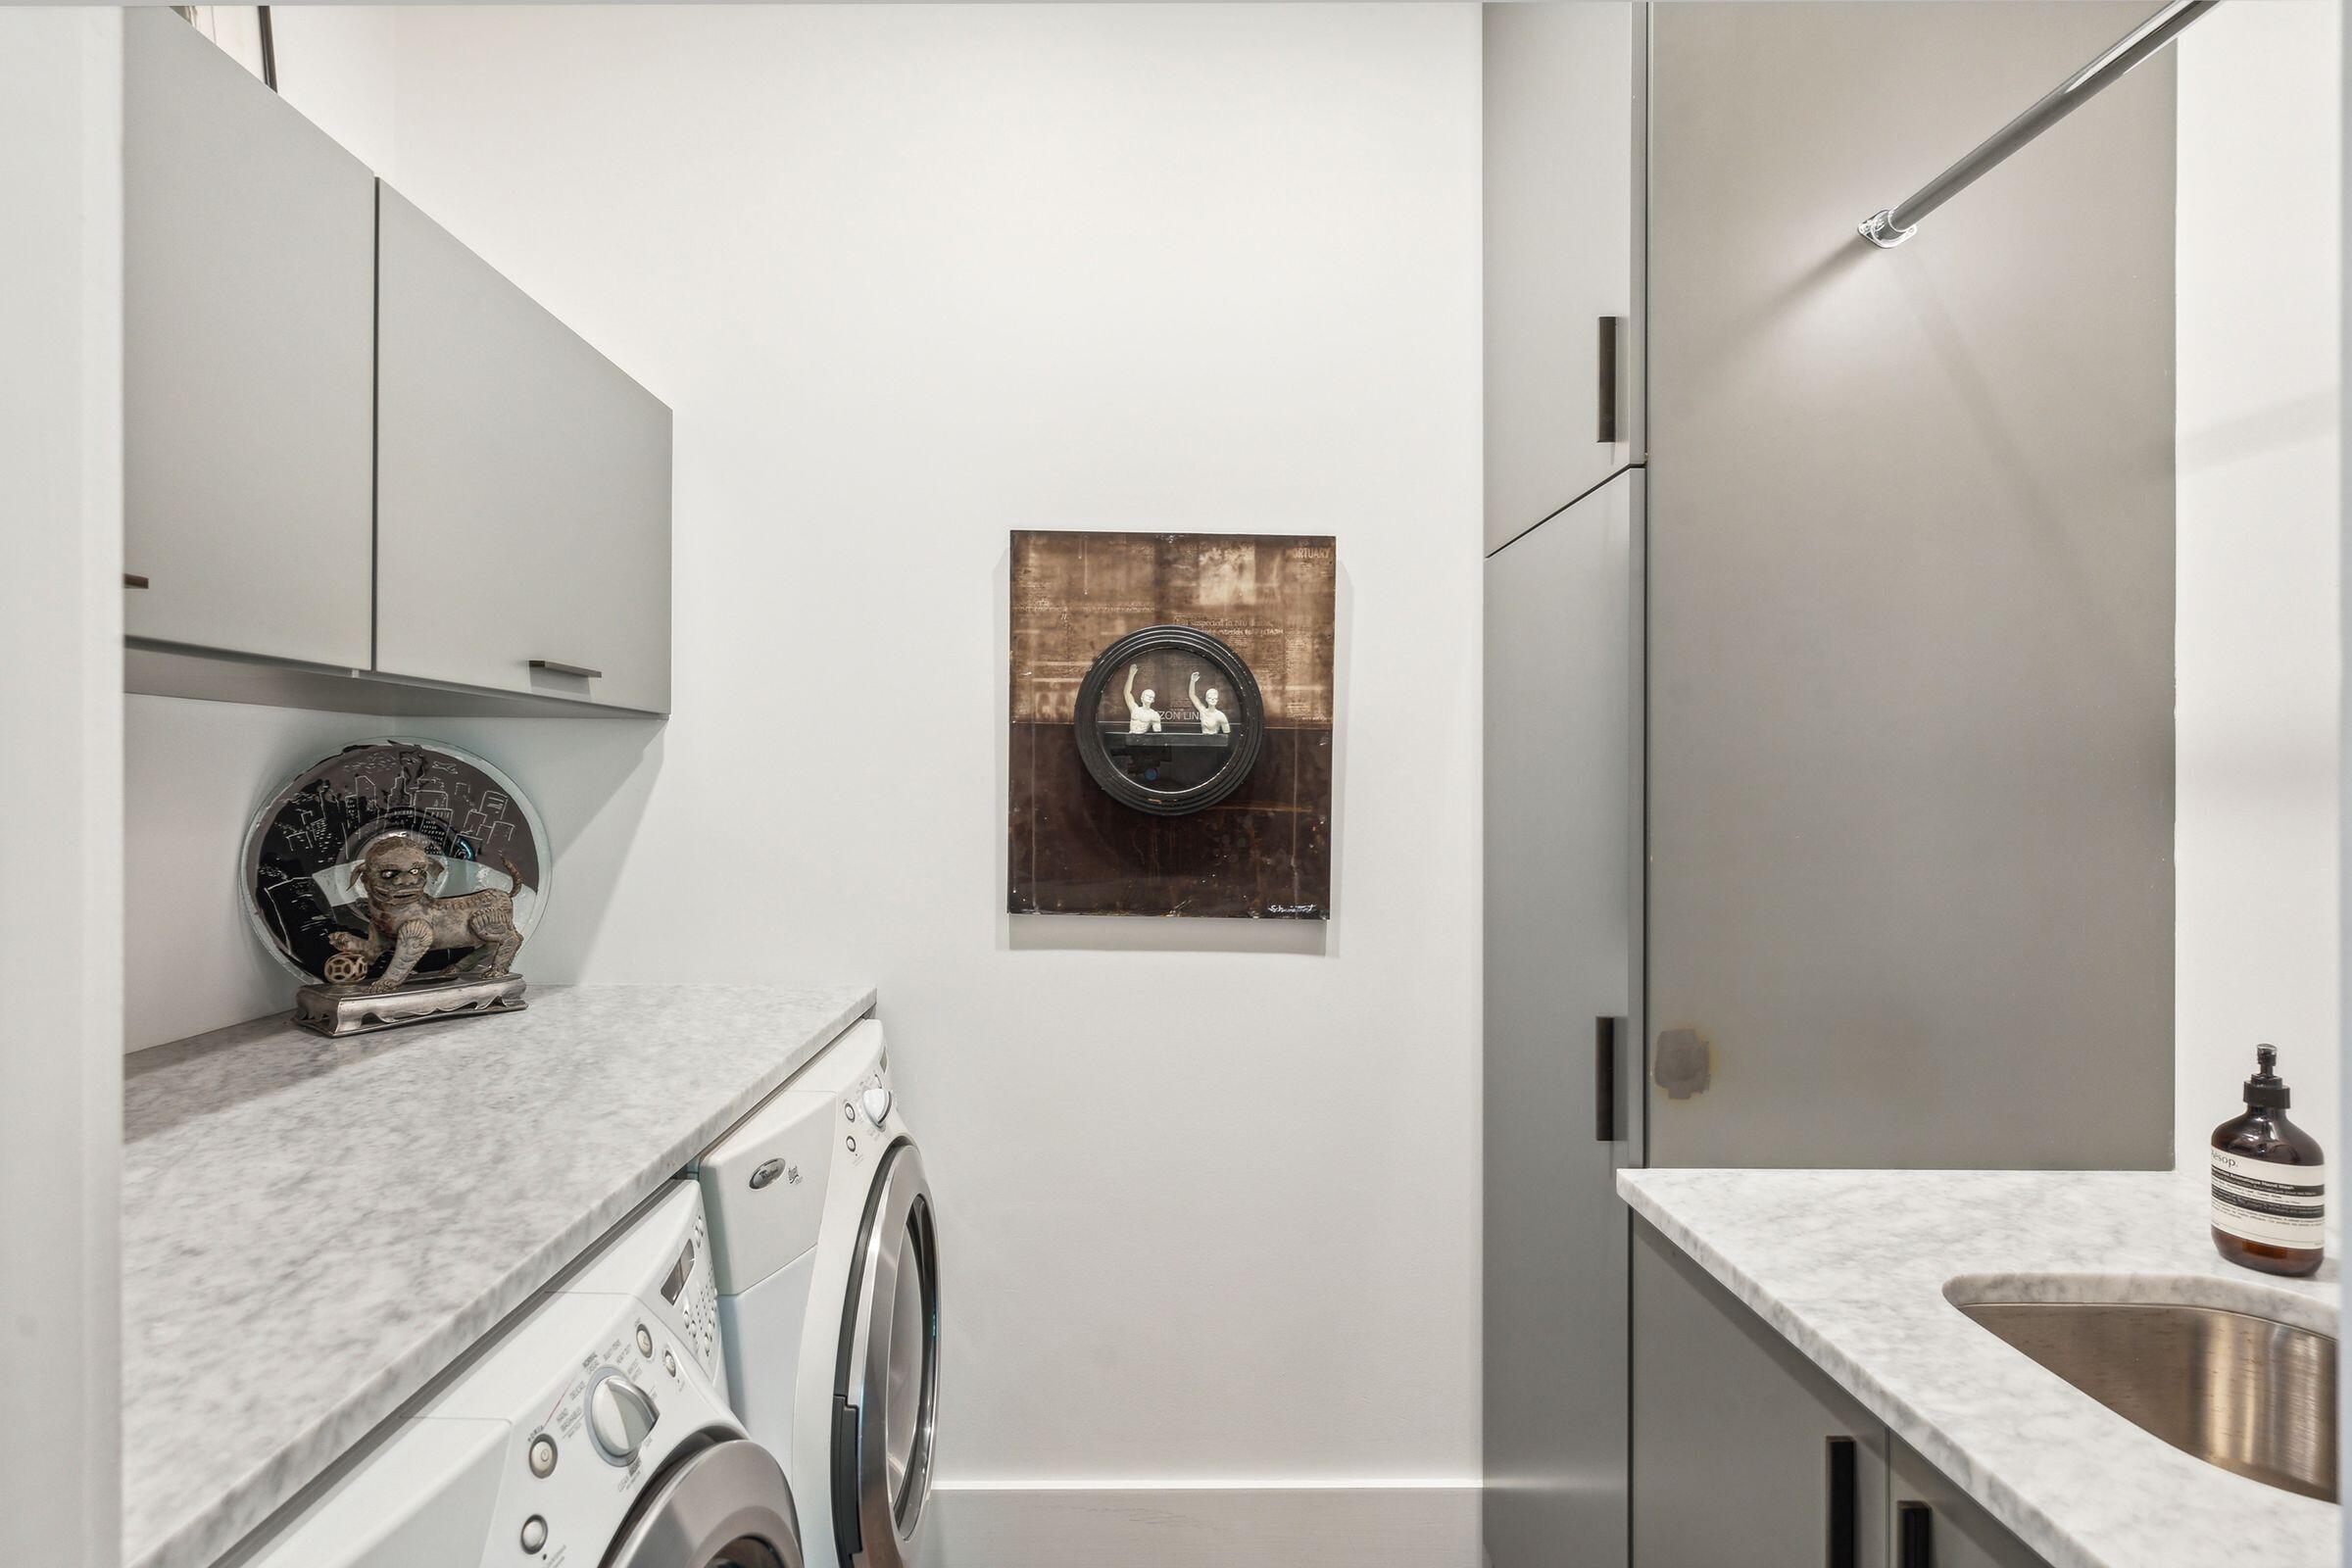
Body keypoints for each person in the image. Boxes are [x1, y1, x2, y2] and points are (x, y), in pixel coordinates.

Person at [1124, 663, 1162, 734]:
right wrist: (1131, 676)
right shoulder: (1134, 709)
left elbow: (1157, 733)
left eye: (1152, 697)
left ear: (1153, 700)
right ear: (1142, 698)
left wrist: (1156, 725)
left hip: (1143, 739)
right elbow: (1127, 693)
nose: (1150, 697)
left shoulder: (1154, 714)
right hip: (1131, 736)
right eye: (1148, 695)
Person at [1191, 670, 1231, 735]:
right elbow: (1192, 695)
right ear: (1206, 699)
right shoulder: (1202, 710)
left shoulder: (1220, 715)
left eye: (1215, 698)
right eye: (1210, 697)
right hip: (1202, 740)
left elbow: (1227, 734)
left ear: (1217, 700)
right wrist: (1192, 681)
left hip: (1215, 742)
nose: (1212, 699)